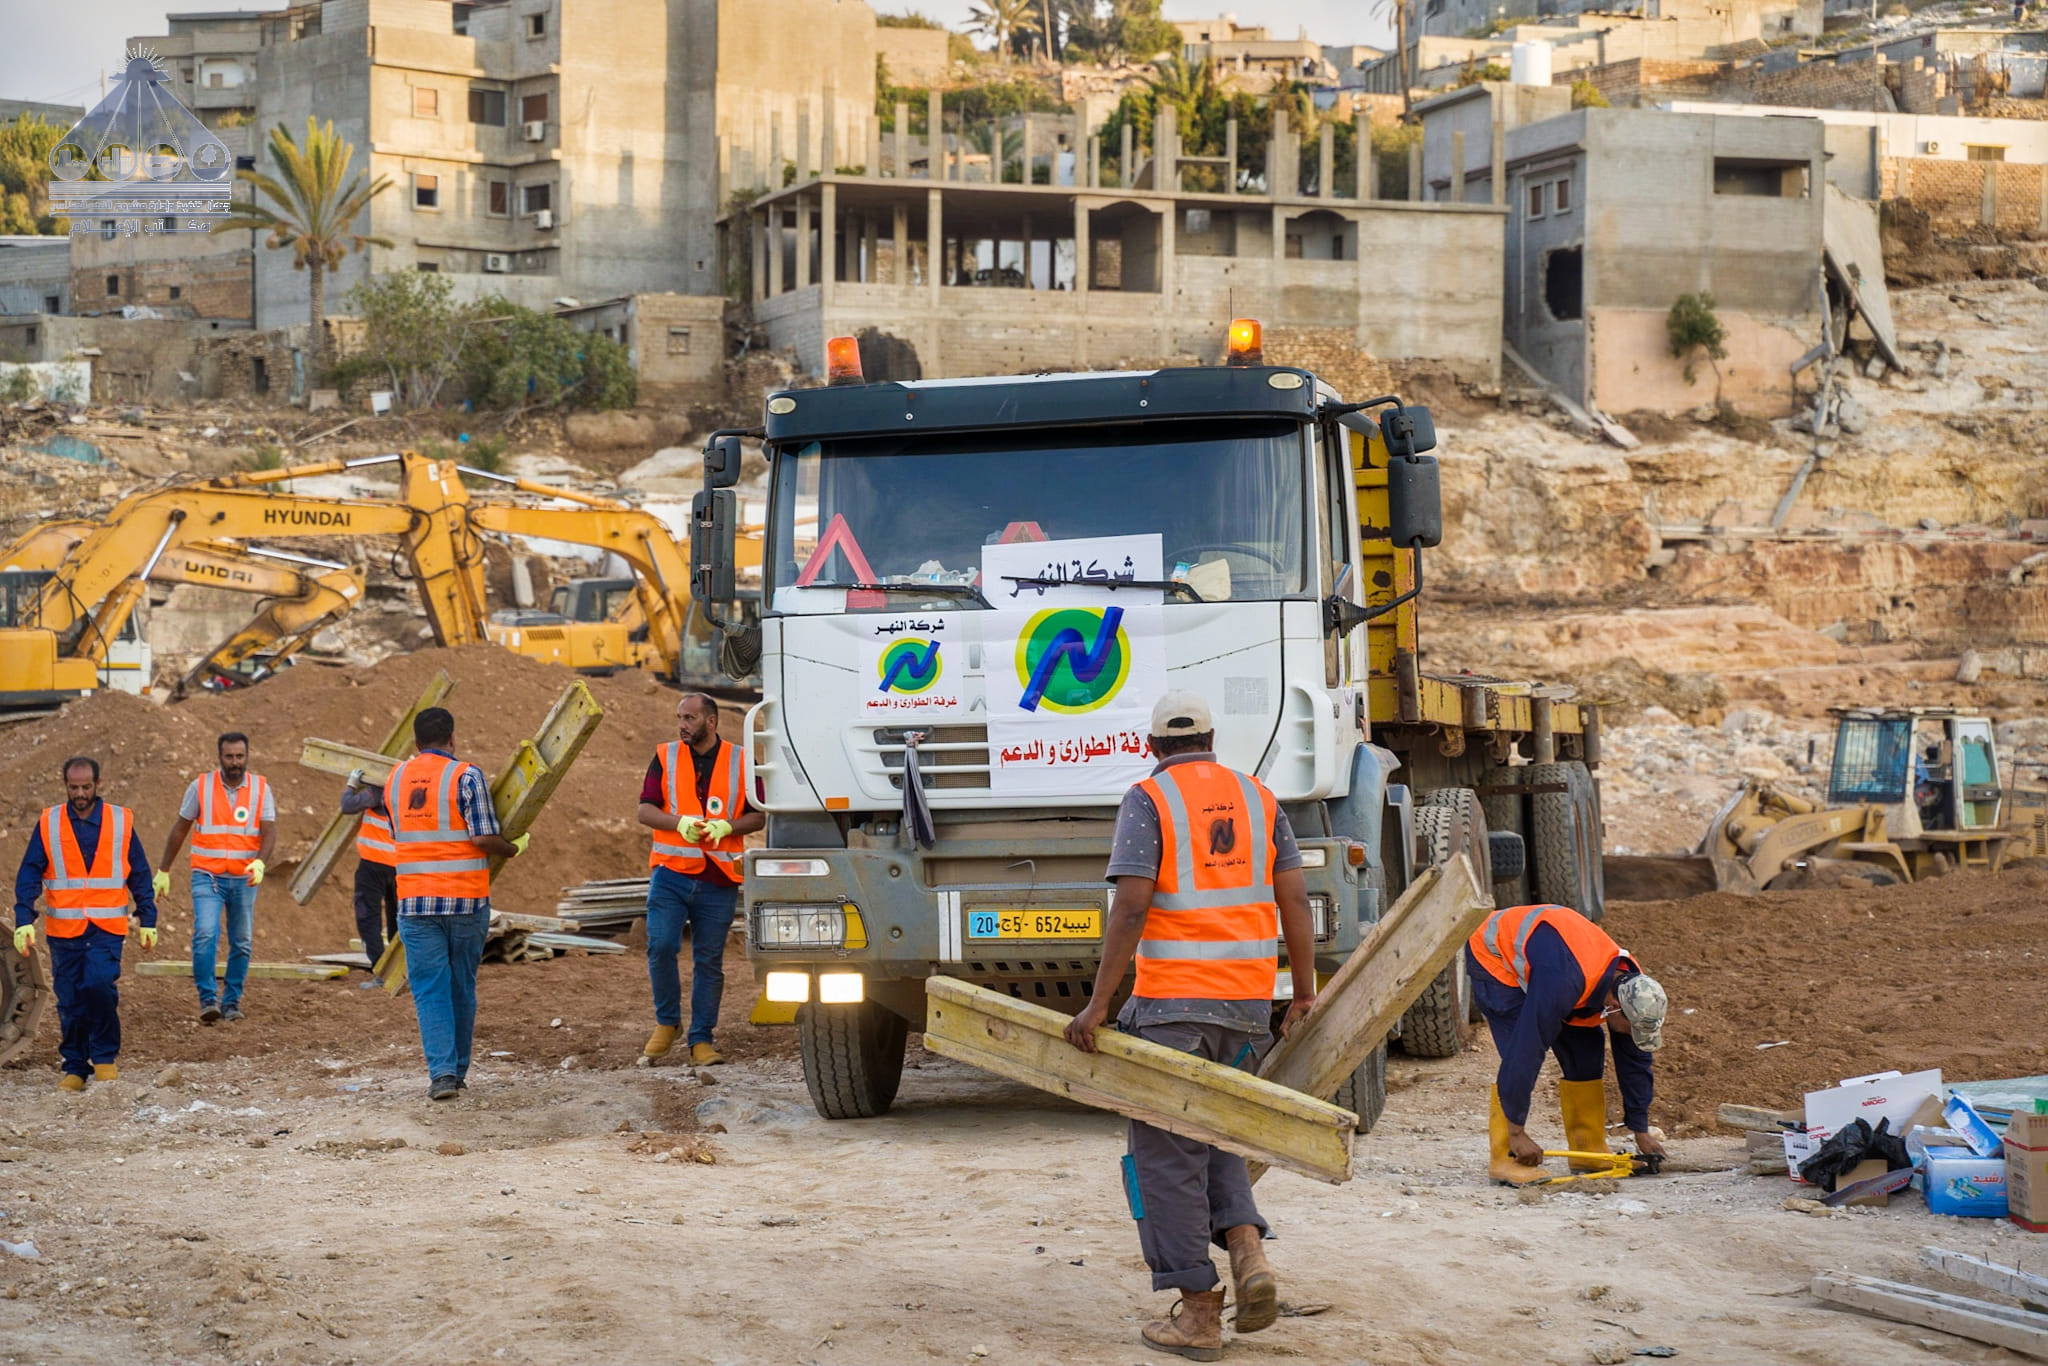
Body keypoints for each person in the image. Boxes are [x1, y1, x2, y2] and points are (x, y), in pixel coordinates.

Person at [1064, 690, 1318, 1360]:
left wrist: (1098, 1004)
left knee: (1164, 1159)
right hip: (1245, 1008)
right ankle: (1247, 1249)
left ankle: (1199, 1314)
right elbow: (1293, 897)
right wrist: (1303, 993)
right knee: (1214, 1134)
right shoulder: (1259, 798)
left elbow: (1131, 906)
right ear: (1211, 737)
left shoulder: (1149, 799)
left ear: (1153, 746)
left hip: (1174, 1004)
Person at [1467, 902, 1668, 1186]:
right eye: (1630, 1027)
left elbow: (1634, 1058)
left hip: (1560, 958)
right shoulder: (1562, 983)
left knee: (1585, 1051)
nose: (1631, 1034)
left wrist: (1640, 1129)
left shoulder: (1634, 990)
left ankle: (1587, 1149)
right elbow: (1527, 1050)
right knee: (1517, 1047)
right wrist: (1517, 1133)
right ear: (1612, 1004)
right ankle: (1504, 1158)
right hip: (1495, 954)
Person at [384, 707, 525, 1100]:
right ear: (452, 738)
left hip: (414, 905)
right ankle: (458, 1071)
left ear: (415, 743)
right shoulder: (466, 776)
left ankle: (442, 1075)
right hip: (465, 901)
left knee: (430, 990)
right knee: (462, 986)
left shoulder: (394, 778)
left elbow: (401, 832)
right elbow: (483, 838)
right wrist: (512, 849)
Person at [12, 756, 159, 1090]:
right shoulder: (49, 822)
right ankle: (75, 1066)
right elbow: (31, 871)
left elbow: (138, 871)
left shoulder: (120, 821)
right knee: (70, 999)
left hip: (106, 929)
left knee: (98, 987)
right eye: (73, 787)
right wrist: (24, 919)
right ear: (65, 785)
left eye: (86, 787)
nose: (79, 793)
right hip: (65, 931)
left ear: (98, 784)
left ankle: (104, 1057)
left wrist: (147, 917)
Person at [636, 693, 762, 1066]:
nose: (682, 724)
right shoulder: (665, 756)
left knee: (709, 961)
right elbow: (645, 810)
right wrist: (680, 823)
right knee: (660, 946)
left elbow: (758, 816)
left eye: (689, 718)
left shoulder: (741, 760)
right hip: (670, 874)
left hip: (719, 877)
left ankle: (701, 1039)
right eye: (679, 717)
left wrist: (729, 826)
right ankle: (667, 1023)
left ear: (711, 722)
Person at [157, 731, 275, 1024]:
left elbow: (269, 830)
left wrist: (261, 863)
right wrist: (164, 869)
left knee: (242, 941)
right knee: (206, 933)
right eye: (229, 756)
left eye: (239, 756)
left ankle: (232, 1002)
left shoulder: (261, 789)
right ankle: (208, 999)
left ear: (247, 756)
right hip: (207, 875)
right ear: (219, 756)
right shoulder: (201, 787)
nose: (234, 762)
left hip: (244, 878)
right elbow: (181, 827)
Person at [339, 765, 399, 988]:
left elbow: (347, 806)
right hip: (400, 868)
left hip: (373, 867)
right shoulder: (406, 793)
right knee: (398, 921)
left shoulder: (377, 792)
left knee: (368, 919)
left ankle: (382, 971)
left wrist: (351, 785)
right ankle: (395, 970)